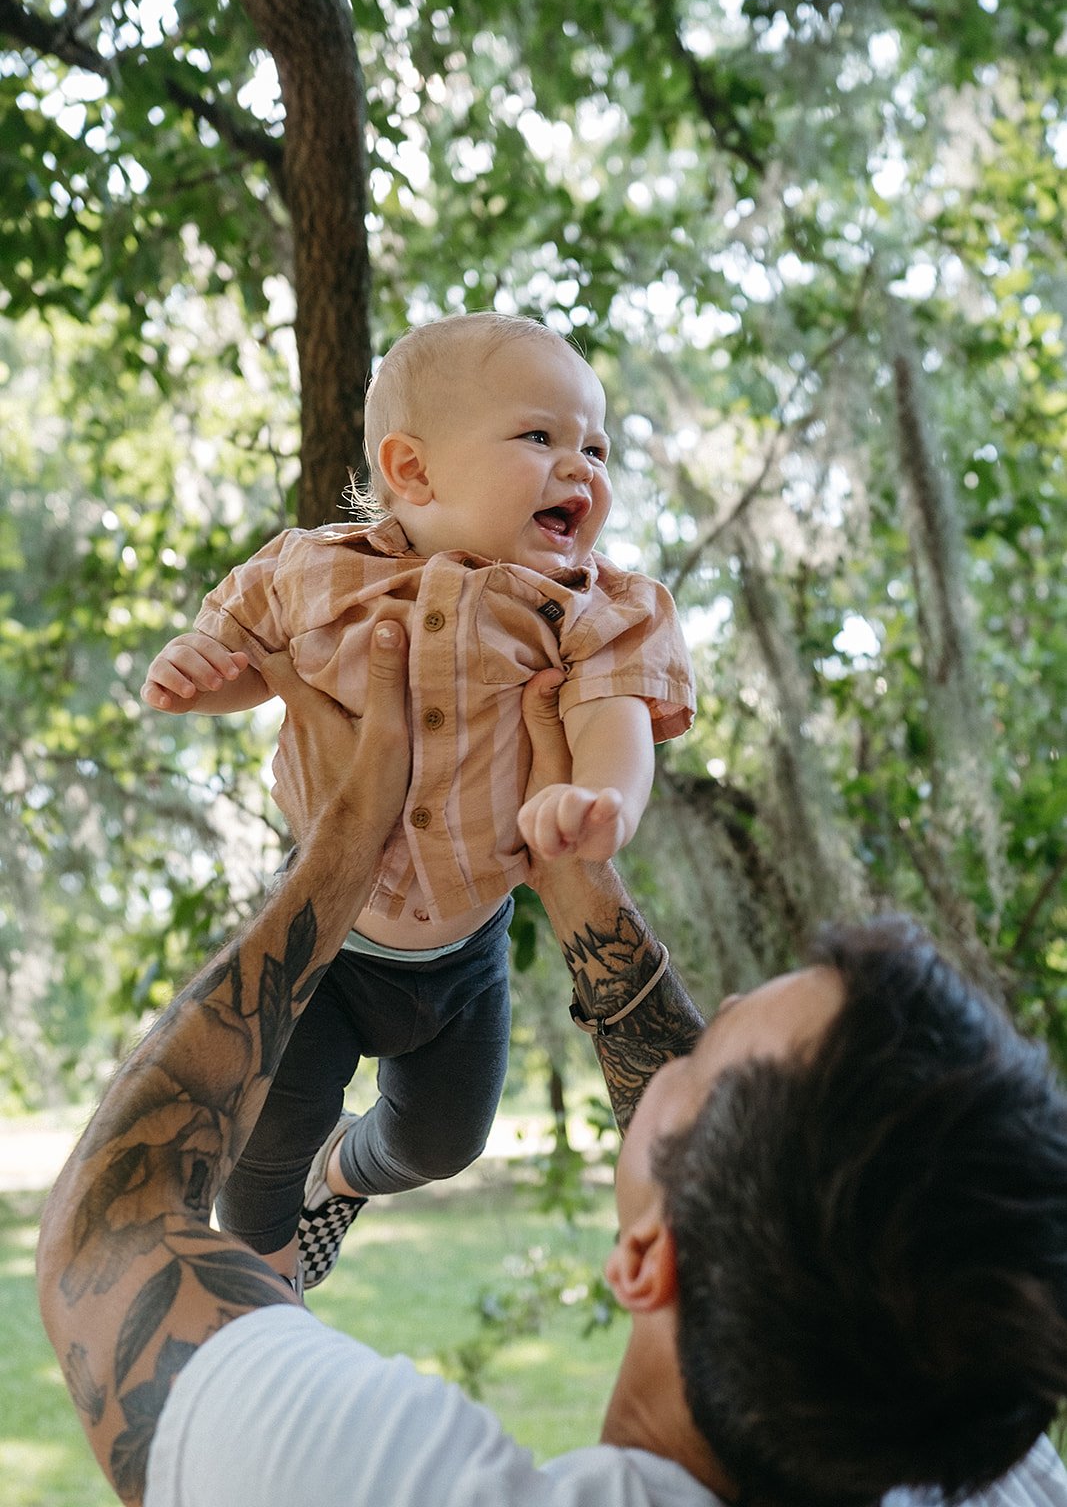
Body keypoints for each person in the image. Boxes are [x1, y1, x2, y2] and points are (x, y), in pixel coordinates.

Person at [39, 630, 1067, 1507]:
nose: (684, 1046)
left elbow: (105, 1233)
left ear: (644, 1262)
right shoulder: (978, 1428)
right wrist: (572, 872)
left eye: (699, 1062)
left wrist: (345, 833)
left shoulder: (386, 1479)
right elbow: (741, 1189)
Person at [139, 311, 695, 1289]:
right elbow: (244, 661)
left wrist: (599, 796)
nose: (580, 467)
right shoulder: (314, 572)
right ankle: (266, 1300)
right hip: (322, 935)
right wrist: (200, 673)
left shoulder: (589, 609)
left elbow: (610, 715)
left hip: (464, 949)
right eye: (540, 437)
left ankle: (343, 1169)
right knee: (265, 1140)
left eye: (595, 446)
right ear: (413, 469)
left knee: (445, 1141)